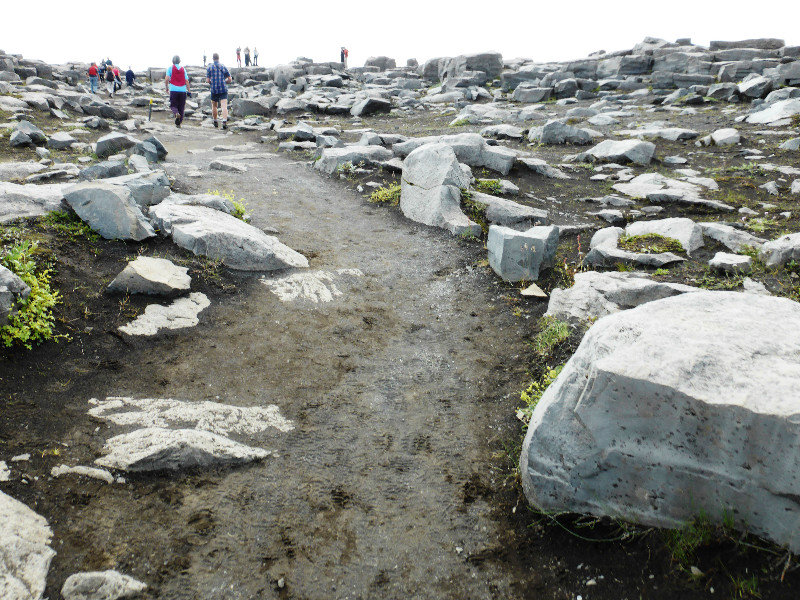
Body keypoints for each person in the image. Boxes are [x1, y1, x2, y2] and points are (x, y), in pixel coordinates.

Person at [206, 52, 232, 130]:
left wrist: (212, 83)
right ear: (218, 58)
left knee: (214, 106)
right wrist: (225, 82)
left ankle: (215, 121)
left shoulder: (209, 67)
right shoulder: (223, 66)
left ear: (213, 58)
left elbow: (207, 80)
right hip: (223, 88)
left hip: (214, 89)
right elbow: (230, 79)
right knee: (224, 105)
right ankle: (224, 122)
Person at [165, 55, 191, 127]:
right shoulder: (183, 69)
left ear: (172, 61)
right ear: (179, 61)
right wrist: (189, 90)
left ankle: (176, 113)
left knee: (173, 105)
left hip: (173, 89)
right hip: (182, 90)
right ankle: (179, 123)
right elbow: (186, 81)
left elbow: (167, 79)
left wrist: (166, 87)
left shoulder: (170, 68)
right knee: (181, 107)